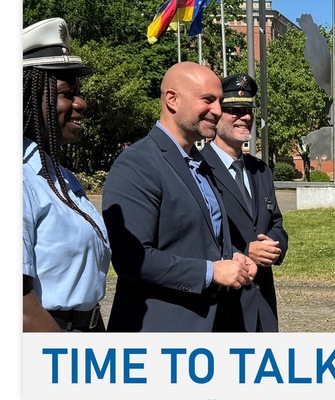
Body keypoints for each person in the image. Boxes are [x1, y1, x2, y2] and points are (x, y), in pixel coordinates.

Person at [102, 62, 256, 332]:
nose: (217, 110)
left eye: (219, 101)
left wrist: (231, 256)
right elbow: (131, 258)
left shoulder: (198, 163)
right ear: (172, 100)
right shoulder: (138, 163)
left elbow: (190, 237)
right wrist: (211, 272)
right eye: (207, 100)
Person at [22, 17, 111, 332]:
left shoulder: (59, 177)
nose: (81, 103)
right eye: (67, 93)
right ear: (28, 98)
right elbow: (20, 309)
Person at [201, 73, 289, 332]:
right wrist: (244, 251)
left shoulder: (260, 170)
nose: (245, 118)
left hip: (263, 306)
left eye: (248, 110)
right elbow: (195, 235)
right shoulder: (199, 168)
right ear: (217, 115)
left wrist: (275, 246)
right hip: (224, 307)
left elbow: (276, 223)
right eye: (235, 111)